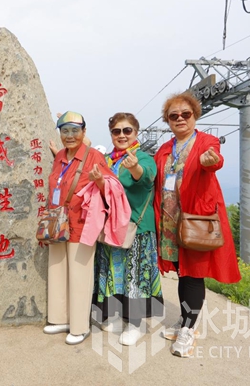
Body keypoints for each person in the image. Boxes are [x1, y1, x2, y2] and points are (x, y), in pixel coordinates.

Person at [153, 92, 241, 358]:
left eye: (185, 114)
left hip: (195, 219)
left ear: (195, 115)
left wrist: (211, 162)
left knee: (193, 274)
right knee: (183, 272)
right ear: (168, 120)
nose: (180, 118)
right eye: (174, 115)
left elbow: (214, 159)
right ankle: (185, 320)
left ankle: (188, 330)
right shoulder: (164, 149)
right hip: (170, 221)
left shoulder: (206, 142)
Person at [42, 111, 119, 346]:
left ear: (84, 132)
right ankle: (60, 319)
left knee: (79, 275)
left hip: (82, 223)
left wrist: (100, 181)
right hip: (57, 222)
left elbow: (113, 188)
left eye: (75, 131)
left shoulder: (94, 156)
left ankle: (79, 326)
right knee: (57, 270)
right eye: (65, 131)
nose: (70, 135)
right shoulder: (60, 156)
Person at [93, 113, 163, 346]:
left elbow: (146, 178)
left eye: (127, 130)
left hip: (136, 227)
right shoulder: (107, 160)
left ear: (136, 132)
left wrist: (135, 169)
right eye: (116, 131)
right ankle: (114, 314)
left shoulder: (142, 157)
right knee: (114, 274)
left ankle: (135, 323)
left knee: (135, 276)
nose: (122, 135)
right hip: (111, 226)